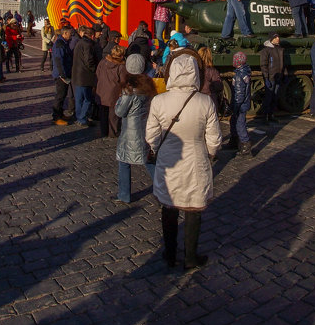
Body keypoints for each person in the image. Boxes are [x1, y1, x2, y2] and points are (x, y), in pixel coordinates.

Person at [145, 52, 222, 270]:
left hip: (169, 161)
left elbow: (151, 135)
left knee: (169, 208)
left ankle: (170, 254)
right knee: (193, 209)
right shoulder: (205, 101)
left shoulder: (159, 101)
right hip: (196, 160)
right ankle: (190, 256)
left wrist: (157, 148)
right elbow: (214, 138)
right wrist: (211, 153)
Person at [114, 55, 157, 203]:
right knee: (148, 160)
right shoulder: (148, 85)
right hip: (145, 127)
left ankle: (124, 194)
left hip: (130, 131)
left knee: (124, 161)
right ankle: (163, 188)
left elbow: (120, 111)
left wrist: (119, 99)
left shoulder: (129, 90)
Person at [95, 44, 126, 139]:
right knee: (113, 115)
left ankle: (104, 131)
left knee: (103, 113)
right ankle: (113, 132)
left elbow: (97, 74)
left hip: (101, 90)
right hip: (114, 93)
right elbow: (123, 81)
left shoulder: (103, 62)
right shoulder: (121, 67)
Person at [71, 26, 99, 128]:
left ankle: (79, 117)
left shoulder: (79, 42)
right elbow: (89, 61)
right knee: (87, 99)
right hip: (85, 76)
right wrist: (94, 69)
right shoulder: (88, 45)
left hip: (77, 75)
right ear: (92, 35)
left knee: (79, 99)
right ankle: (82, 118)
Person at [50, 26, 75, 125]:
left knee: (63, 95)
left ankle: (60, 114)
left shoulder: (64, 43)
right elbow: (58, 60)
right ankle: (56, 117)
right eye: (69, 34)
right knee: (59, 96)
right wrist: (62, 75)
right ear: (64, 33)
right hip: (61, 75)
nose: (71, 36)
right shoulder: (60, 44)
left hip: (64, 73)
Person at [229, 51, 252, 154]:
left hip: (239, 105)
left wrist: (236, 106)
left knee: (240, 124)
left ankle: (245, 144)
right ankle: (235, 140)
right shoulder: (245, 72)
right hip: (243, 104)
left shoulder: (239, 75)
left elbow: (239, 94)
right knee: (234, 122)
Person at [259, 35, 285, 122]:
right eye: (276, 37)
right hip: (271, 76)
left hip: (278, 76)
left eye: (278, 37)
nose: (278, 38)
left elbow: (282, 63)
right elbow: (263, 65)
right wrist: (266, 77)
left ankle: (271, 115)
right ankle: (265, 116)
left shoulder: (279, 49)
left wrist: (283, 74)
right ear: (271, 39)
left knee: (275, 97)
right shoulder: (266, 50)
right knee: (269, 97)